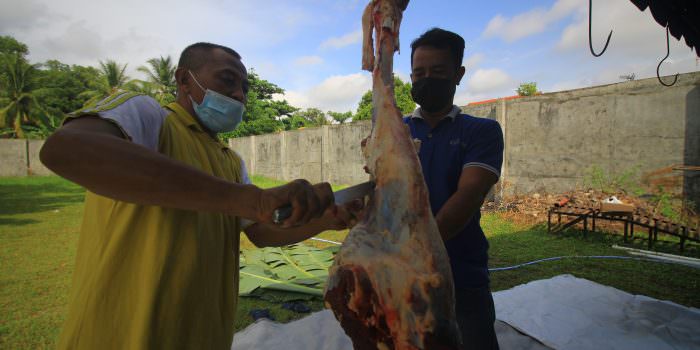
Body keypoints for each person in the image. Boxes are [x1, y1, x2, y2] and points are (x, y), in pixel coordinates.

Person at [41, 42, 359, 349]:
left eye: (244, 88)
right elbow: (66, 149)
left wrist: (327, 220)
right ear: (183, 79)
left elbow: (260, 232)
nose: (239, 94)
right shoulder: (148, 115)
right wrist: (253, 200)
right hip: (124, 335)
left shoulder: (231, 161)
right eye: (227, 80)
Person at [405, 28, 504, 349]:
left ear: (458, 74)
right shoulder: (397, 131)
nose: (426, 79)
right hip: (404, 274)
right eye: (419, 73)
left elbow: (467, 197)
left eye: (437, 72)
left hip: (461, 270)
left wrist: (416, 250)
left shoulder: (482, 131)